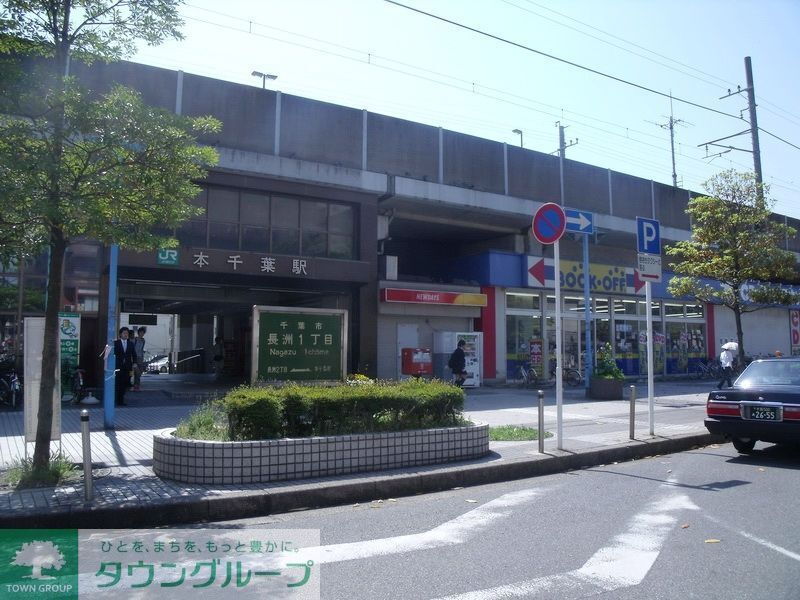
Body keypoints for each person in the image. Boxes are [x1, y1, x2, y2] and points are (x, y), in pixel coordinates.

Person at [114, 327, 136, 406]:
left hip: (127, 367)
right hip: (118, 366)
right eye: (124, 333)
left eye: (127, 333)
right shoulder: (116, 343)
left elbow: (134, 354)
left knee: (125, 383)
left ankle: (121, 399)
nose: (126, 335)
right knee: (118, 383)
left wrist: (135, 363)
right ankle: (118, 400)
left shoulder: (130, 344)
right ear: (120, 334)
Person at [132, 326, 146, 391]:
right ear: (138, 333)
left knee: (140, 372)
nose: (142, 334)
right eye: (141, 332)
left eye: (143, 333)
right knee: (136, 372)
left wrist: (143, 355)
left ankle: (136, 385)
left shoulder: (143, 340)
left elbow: (142, 349)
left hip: (140, 357)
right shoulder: (134, 340)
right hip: (135, 357)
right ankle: (136, 385)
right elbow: (132, 349)